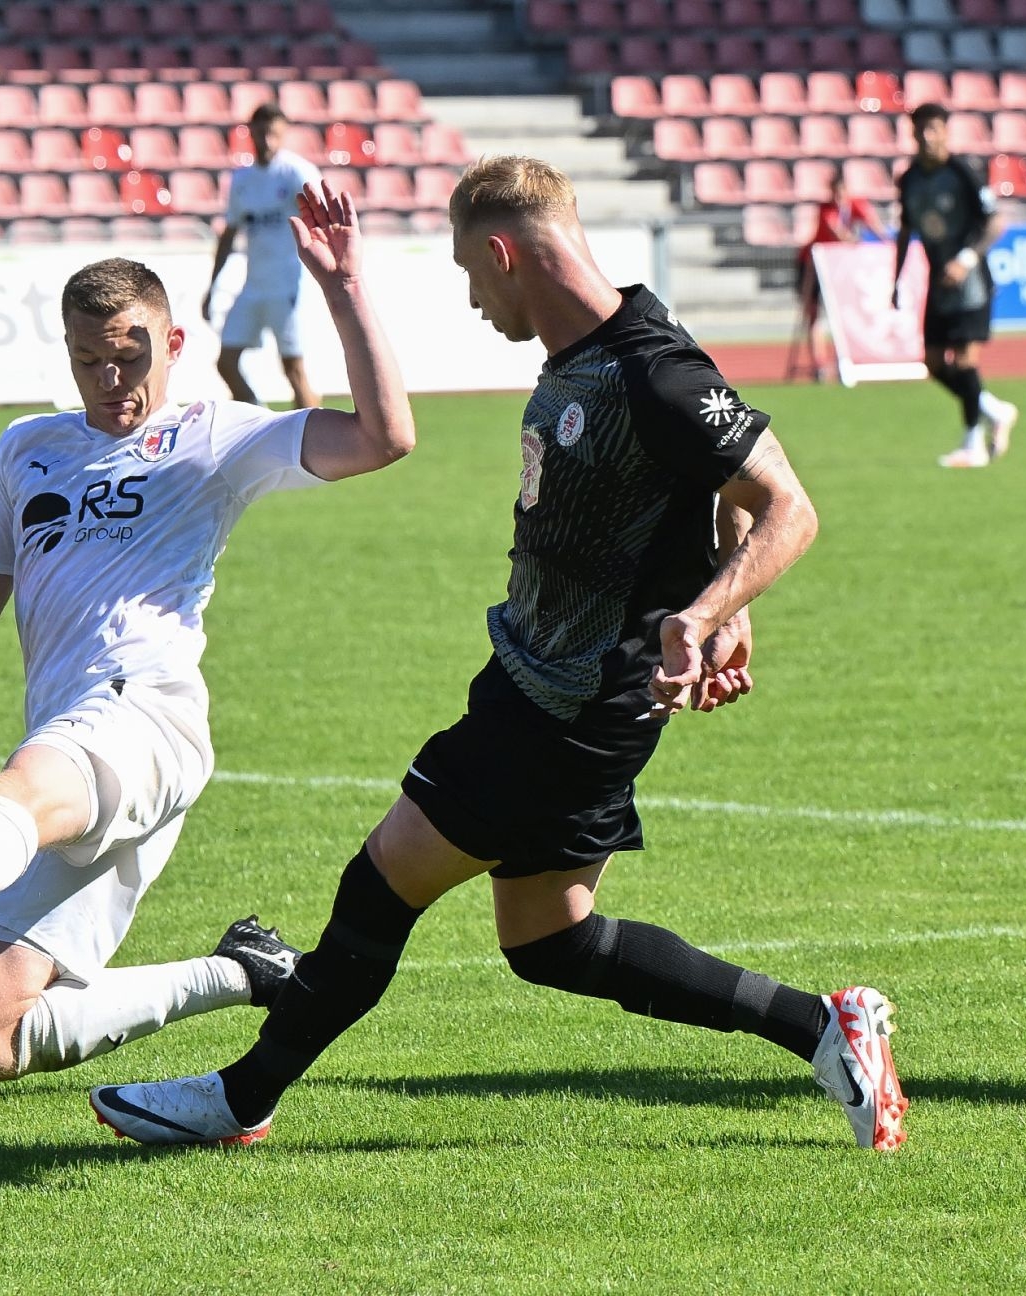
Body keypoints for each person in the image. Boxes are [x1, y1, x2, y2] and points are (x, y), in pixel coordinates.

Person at [90, 157, 909, 1153]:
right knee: (552, 941)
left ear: (504, 251)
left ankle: (240, 1096)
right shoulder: (595, 354)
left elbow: (787, 505)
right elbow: (728, 503)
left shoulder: (655, 369)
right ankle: (825, 1027)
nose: (475, 299)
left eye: (471, 275)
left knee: (384, 878)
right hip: (549, 683)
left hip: (568, 706)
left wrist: (710, 613)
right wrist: (724, 601)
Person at [0, 185, 415, 1085]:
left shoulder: (213, 436)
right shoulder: (27, 448)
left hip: (143, 716)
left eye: (128, 356)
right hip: (72, 733)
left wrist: (343, 289)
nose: (111, 382)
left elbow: (385, 437)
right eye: (88, 361)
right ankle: (243, 970)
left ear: (173, 345)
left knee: (15, 791)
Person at [893, 103, 1018, 469]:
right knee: (932, 362)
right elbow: (905, 230)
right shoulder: (910, 179)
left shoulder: (964, 172)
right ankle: (995, 409)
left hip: (971, 284)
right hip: (938, 283)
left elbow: (995, 223)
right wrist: (896, 276)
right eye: (920, 130)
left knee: (964, 361)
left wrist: (966, 260)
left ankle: (972, 442)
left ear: (946, 131)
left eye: (933, 129)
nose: (927, 137)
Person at [202, 104, 325, 409]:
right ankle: (260, 420)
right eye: (262, 133)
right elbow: (230, 234)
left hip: (287, 286)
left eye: (274, 134)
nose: (267, 141)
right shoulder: (242, 179)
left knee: (293, 369)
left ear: (283, 134)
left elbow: (322, 220)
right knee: (226, 363)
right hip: (253, 286)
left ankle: (315, 448)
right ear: (251, 132)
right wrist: (212, 285)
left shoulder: (297, 172)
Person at [790, 175, 889, 382]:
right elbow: (838, 234)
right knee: (814, 315)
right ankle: (819, 362)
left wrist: (887, 245)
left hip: (837, 268)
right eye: (835, 193)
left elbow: (875, 226)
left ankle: (843, 358)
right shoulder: (826, 210)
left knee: (843, 314)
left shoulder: (854, 205)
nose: (838, 197)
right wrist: (858, 240)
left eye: (841, 192)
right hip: (812, 266)